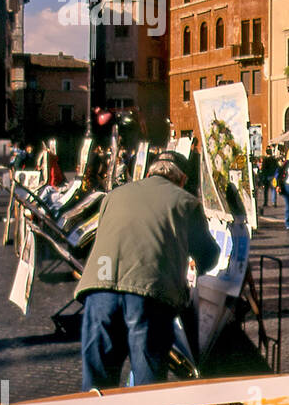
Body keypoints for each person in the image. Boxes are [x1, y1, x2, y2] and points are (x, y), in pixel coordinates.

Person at [74, 152, 220, 390]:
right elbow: (208, 253)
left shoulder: (114, 195)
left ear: (150, 172)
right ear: (182, 179)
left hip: (100, 287)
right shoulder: (185, 201)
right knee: (147, 386)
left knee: (96, 385)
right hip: (149, 292)